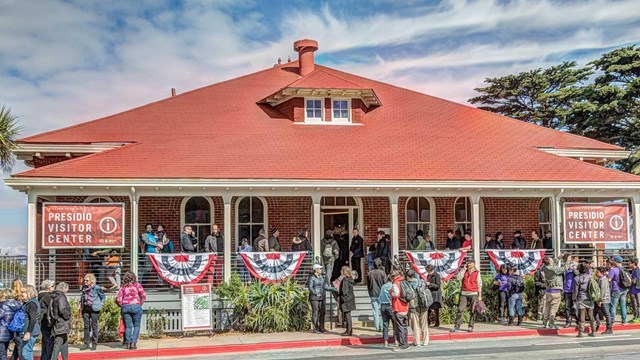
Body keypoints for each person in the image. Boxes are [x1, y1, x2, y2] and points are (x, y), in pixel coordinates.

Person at [117, 271, 147, 350]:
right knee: (136, 326)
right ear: (134, 277)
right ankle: (133, 343)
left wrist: (123, 305)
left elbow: (119, 299)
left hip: (126, 307)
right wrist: (139, 304)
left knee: (128, 327)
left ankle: (128, 342)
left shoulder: (123, 287)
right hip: (136, 306)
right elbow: (143, 296)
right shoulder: (137, 285)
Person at [451, 258, 482, 333]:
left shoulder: (477, 273)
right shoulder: (464, 271)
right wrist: (463, 269)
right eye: (468, 262)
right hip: (464, 293)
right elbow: (458, 278)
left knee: (472, 311)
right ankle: (457, 327)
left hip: (473, 293)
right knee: (460, 310)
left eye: (471, 262)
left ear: (474, 264)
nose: (469, 264)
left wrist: (480, 296)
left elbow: (479, 285)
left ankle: (470, 326)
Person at [541, 256, 568, 329]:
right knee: (553, 308)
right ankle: (551, 323)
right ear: (549, 262)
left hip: (548, 290)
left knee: (547, 307)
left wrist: (558, 258)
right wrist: (567, 260)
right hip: (556, 291)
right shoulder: (554, 269)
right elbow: (564, 268)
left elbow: (552, 264)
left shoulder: (544, 267)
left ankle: (544, 322)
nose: (552, 260)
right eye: (551, 259)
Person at [80, 273, 105, 351]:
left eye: (87, 280)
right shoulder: (84, 288)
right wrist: (80, 304)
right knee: (86, 327)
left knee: (94, 326)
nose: (85, 282)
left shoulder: (96, 288)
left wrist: (101, 304)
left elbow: (103, 296)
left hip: (94, 308)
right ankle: (86, 344)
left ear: (91, 281)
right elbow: (82, 296)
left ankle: (94, 344)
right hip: (86, 308)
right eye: (84, 280)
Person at [15, 285, 40, 360]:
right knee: (24, 352)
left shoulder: (31, 304)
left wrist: (28, 333)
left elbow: (33, 319)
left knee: (26, 353)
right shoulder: (28, 302)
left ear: (29, 293)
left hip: (29, 332)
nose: (22, 294)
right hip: (27, 331)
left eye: (24, 292)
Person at [573, 262, 596, 337]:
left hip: (581, 297)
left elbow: (575, 290)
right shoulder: (590, 277)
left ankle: (581, 332)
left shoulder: (576, 278)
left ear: (579, 270)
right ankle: (594, 331)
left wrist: (574, 298)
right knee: (591, 315)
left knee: (581, 315)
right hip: (589, 297)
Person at [407, 269, 429, 346]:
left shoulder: (408, 284)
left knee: (415, 325)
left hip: (414, 306)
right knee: (424, 324)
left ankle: (417, 342)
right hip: (424, 305)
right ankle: (425, 341)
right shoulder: (422, 282)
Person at [50, 282, 72, 360]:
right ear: (64, 289)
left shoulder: (54, 296)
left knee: (64, 342)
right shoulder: (61, 297)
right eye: (67, 289)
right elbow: (62, 309)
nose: (67, 291)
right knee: (58, 343)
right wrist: (68, 316)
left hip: (58, 323)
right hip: (61, 323)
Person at [390, 269, 410, 351]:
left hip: (398, 307)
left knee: (400, 326)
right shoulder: (404, 281)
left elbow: (396, 294)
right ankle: (406, 343)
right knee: (404, 326)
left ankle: (402, 345)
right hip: (405, 306)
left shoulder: (396, 283)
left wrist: (390, 292)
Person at [0, 289, 21, 360]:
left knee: (2, 354)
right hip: (10, 331)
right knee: (4, 351)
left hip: (1, 331)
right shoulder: (18, 304)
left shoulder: (2, 305)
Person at [308, 264, 329, 334]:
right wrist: (315, 293)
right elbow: (310, 287)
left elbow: (325, 286)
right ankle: (315, 328)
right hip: (314, 298)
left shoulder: (322, 277)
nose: (321, 270)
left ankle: (321, 327)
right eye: (320, 269)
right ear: (316, 270)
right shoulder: (312, 278)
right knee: (315, 313)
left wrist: (334, 289)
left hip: (322, 297)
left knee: (323, 312)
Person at [367, 258, 387, 332]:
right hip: (382, 294)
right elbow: (385, 284)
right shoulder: (383, 273)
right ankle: (382, 326)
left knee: (375, 311)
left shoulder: (370, 273)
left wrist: (369, 293)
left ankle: (377, 327)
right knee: (382, 311)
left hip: (373, 293)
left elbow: (368, 286)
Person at [608, 255, 628, 325]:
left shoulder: (613, 270)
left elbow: (609, 280)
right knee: (623, 305)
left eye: (613, 260)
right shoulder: (624, 269)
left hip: (616, 289)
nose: (613, 261)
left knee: (613, 305)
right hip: (624, 289)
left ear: (616, 261)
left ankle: (612, 321)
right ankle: (624, 321)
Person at [38, 279, 55, 360]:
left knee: (45, 341)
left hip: (42, 321)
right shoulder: (47, 296)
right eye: (52, 286)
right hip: (47, 321)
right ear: (48, 287)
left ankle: (44, 358)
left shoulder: (40, 295)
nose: (53, 287)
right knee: (49, 342)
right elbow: (52, 308)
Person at [594, 266, 613, 334]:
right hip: (600, 300)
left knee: (607, 314)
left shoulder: (603, 280)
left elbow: (603, 291)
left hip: (604, 300)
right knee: (595, 312)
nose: (596, 273)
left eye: (597, 272)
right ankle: (596, 324)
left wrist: (600, 300)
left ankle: (609, 328)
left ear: (602, 273)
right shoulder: (600, 279)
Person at [338, 266, 356, 336]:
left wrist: (342, 298)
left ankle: (349, 331)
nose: (341, 271)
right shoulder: (350, 279)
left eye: (342, 270)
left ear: (344, 272)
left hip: (346, 300)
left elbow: (344, 292)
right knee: (348, 315)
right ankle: (349, 330)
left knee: (347, 316)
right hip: (350, 299)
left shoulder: (345, 280)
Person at [563, 253, 578, 328]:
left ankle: (578, 321)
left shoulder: (574, 265)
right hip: (566, 290)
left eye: (570, 257)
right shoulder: (563, 266)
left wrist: (573, 269)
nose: (569, 259)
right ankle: (568, 321)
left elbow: (578, 274)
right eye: (568, 257)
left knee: (575, 307)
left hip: (574, 290)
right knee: (567, 307)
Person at [378, 277, 394, 348]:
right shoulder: (392, 286)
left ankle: (385, 341)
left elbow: (379, 297)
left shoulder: (383, 286)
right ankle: (396, 340)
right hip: (390, 305)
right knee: (395, 323)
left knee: (385, 324)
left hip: (383, 305)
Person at [630, 258, 640, 323]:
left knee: (636, 304)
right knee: (636, 304)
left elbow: (634, 281)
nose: (628, 263)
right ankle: (636, 317)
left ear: (633, 263)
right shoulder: (637, 270)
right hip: (636, 290)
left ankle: (637, 317)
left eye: (630, 262)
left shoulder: (635, 271)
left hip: (635, 290)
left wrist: (629, 279)